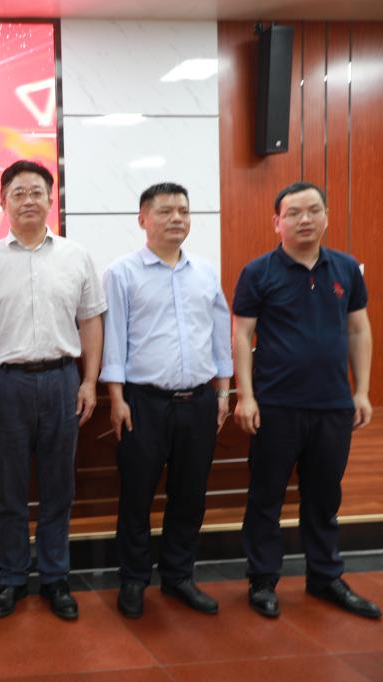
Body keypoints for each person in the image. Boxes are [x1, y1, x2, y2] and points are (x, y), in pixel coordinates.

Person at [0, 160, 106, 621]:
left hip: (63, 380)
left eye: (36, 192)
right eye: (18, 193)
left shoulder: (76, 256)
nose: (28, 200)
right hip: (6, 384)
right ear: (3, 202)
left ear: (50, 199)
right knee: (10, 489)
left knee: (59, 486)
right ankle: (12, 578)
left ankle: (56, 577)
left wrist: (89, 381)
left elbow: (91, 320)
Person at [233, 181, 378, 620]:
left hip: (333, 405)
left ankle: (325, 576)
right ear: (277, 222)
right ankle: (262, 579)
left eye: (314, 210)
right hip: (275, 405)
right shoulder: (258, 272)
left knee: (324, 496)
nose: (305, 219)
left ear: (327, 217)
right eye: (294, 213)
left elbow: (359, 329)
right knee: (266, 496)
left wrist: (361, 390)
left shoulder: (347, 269)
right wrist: (246, 396)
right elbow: (241, 334)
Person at [100, 182, 232, 619]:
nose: (177, 218)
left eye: (183, 211)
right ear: (143, 219)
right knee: (136, 495)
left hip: (199, 401)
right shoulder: (122, 273)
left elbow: (220, 335)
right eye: (165, 211)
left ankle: (179, 576)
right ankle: (133, 579)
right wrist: (116, 398)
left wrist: (224, 392)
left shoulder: (205, 272)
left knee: (190, 494)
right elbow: (114, 339)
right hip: (143, 402)